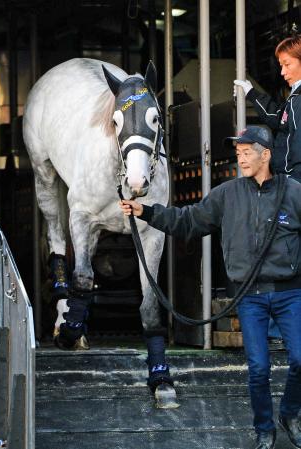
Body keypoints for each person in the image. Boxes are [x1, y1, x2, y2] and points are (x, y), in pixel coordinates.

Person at [119, 126, 301, 449]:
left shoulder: (294, 193)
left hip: (290, 293)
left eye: (247, 153)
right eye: (238, 153)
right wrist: (145, 212)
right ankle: (264, 429)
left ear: (266, 155)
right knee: (258, 368)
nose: (241, 159)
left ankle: (290, 413)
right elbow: (187, 220)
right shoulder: (227, 194)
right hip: (249, 297)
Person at [234, 34, 301, 183]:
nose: (283, 72)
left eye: (287, 64)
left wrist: (295, 186)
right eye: (281, 65)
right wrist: (251, 93)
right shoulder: (295, 96)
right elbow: (277, 118)